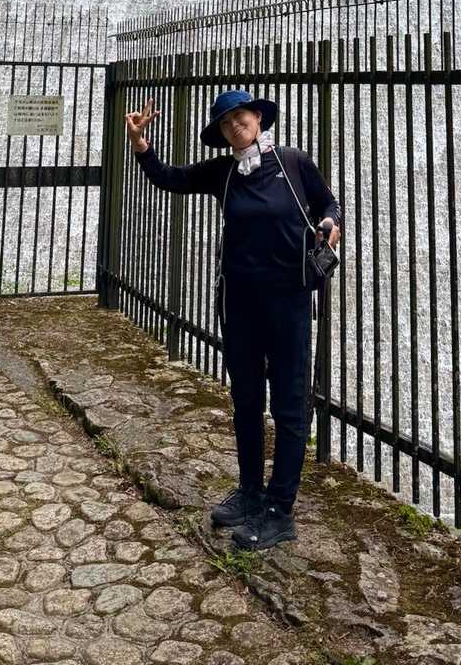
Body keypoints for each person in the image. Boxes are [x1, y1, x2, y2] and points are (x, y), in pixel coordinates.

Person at [124, 87, 341, 550]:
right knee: (245, 400)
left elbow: (329, 204)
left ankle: (280, 510)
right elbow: (170, 178)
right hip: (239, 304)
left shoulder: (293, 162)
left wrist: (330, 225)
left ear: (258, 118)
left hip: (289, 302)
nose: (234, 125)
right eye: (225, 123)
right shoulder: (223, 173)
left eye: (240, 116)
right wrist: (141, 145)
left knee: (288, 406)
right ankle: (249, 492)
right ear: (221, 133)